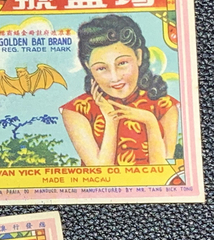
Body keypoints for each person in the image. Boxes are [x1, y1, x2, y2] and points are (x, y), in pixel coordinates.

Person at [60, 14, 179, 166]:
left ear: (138, 57)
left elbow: (164, 172)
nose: (115, 77)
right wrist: (111, 121)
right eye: (101, 68)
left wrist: (150, 122)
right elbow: (100, 173)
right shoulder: (77, 110)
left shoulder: (164, 105)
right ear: (88, 67)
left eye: (122, 63)